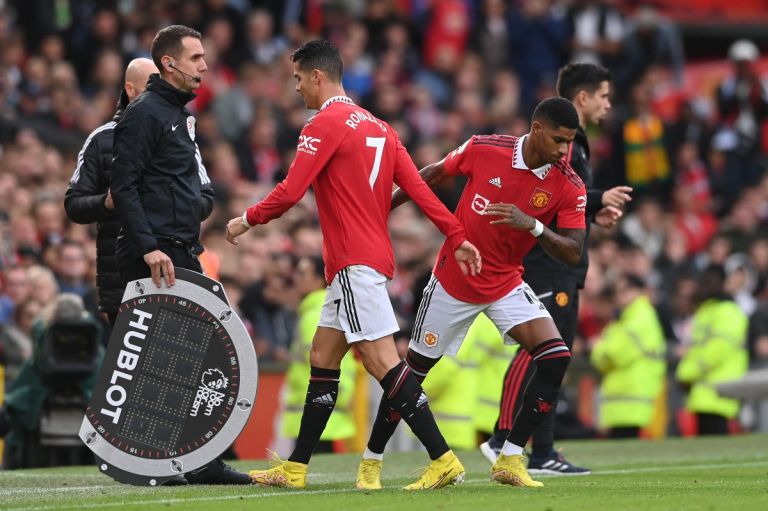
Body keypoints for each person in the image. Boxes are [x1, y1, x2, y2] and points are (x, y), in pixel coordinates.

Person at [225, 39, 481, 490]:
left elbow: (290, 191)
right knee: (322, 357)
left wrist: (246, 220)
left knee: (385, 363)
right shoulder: (381, 127)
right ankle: (298, 467)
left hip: (351, 263)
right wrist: (456, 234)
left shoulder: (323, 123)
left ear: (318, 76)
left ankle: (442, 458)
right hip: (371, 259)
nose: (297, 88)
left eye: (299, 79)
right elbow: (421, 191)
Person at [355, 96, 587, 489]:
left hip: (506, 284)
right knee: (410, 375)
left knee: (555, 357)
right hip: (453, 283)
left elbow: (573, 250)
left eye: (570, 142)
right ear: (536, 130)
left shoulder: (567, 182)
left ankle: (511, 458)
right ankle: (371, 463)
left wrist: (531, 225)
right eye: (559, 140)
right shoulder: (484, 148)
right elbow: (430, 174)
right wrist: (383, 211)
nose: (565, 151)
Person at [109, 24, 248, 486]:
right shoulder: (144, 113)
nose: (204, 66)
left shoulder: (177, 114)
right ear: (169, 63)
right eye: (196, 58)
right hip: (157, 252)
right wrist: (148, 247)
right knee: (166, 358)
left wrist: (196, 208)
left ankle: (195, 459)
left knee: (195, 354)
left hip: (181, 246)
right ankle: (165, 459)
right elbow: (123, 187)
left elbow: (176, 182)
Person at [481, 63, 633, 475]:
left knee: (555, 353)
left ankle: (543, 450)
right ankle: (503, 437)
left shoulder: (575, 144)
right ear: (581, 98)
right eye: (603, 95)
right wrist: (597, 201)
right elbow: (542, 193)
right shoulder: (559, 145)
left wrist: (591, 212)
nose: (607, 104)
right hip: (546, 263)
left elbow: (566, 201)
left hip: (563, 262)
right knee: (543, 349)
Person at [64, 58, 158, 326]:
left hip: (172, 278)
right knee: (126, 367)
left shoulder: (181, 137)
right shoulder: (101, 140)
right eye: (153, 86)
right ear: (131, 89)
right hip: (121, 283)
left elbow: (205, 199)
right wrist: (106, 203)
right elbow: (73, 204)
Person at [282, 256, 357, 451]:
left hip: (314, 409)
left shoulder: (315, 314)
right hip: (325, 407)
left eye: (302, 273)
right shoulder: (320, 309)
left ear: (320, 279)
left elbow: (320, 363)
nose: (296, 278)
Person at [590, 274, 666, 438]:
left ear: (638, 291)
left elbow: (613, 354)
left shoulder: (639, 316)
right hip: (626, 396)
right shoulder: (627, 317)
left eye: (624, 290)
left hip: (631, 395)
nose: (619, 295)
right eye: (618, 291)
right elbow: (602, 356)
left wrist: (599, 348)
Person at [676, 265, 748, 435]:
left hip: (720, 392)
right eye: (705, 281)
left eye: (711, 281)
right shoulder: (707, 310)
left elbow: (717, 350)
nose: (707, 286)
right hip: (704, 392)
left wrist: (686, 372)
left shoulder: (728, 311)